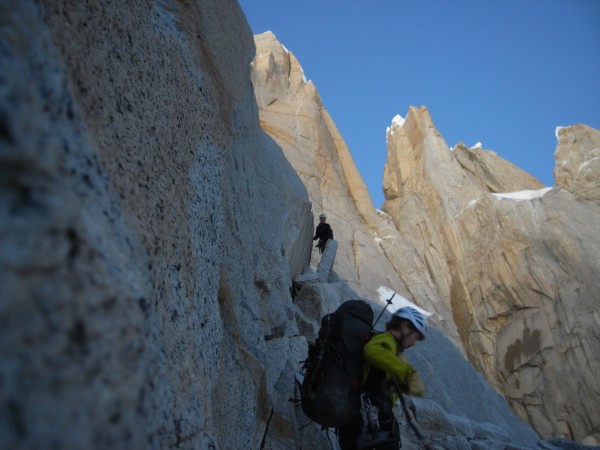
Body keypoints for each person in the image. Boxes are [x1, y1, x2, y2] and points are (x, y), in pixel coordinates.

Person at [337, 307, 428, 450]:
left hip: (363, 424)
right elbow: (371, 351)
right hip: (365, 424)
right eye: (415, 337)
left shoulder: (391, 349)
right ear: (405, 327)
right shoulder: (385, 340)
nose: (413, 343)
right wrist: (407, 373)